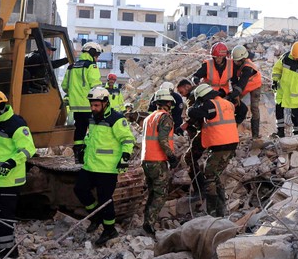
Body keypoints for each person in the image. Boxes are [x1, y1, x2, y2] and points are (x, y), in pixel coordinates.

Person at [73, 86, 133, 245]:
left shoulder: (116, 119)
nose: (93, 108)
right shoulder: (92, 119)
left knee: (105, 199)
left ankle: (109, 230)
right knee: (79, 189)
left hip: (107, 168)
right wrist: (82, 148)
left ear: (105, 103)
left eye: (96, 105)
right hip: (90, 165)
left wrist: (125, 157)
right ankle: (95, 216)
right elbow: (91, 138)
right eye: (92, 105)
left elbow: (127, 140)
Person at [0, 88, 35, 259]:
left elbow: (28, 149)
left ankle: (10, 252)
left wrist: (11, 162)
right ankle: (6, 248)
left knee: (5, 217)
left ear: (2, 106)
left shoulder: (16, 124)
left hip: (10, 180)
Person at [187, 84, 239, 217]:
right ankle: (222, 209)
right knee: (214, 175)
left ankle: (213, 212)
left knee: (209, 176)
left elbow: (195, 113)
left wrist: (192, 107)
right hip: (231, 142)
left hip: (221, 144)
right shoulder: (226, 103)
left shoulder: (210, 104)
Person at [141, 88, 179, 235]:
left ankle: (147, 220)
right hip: (158, 160)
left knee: (152, 192)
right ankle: (149, 223)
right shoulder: (165, 117)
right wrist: (172, 157)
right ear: (168, 102)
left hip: (146, 160)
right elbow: (163, 140)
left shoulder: (148, 118)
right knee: (161, 193)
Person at [62, 43, 102, 148]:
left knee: (79, 129)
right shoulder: (91, 66)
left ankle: (78, 153)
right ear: (92, 53)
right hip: (89, 106)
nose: (97, 59)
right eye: (96, 56)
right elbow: (96, 86)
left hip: (76, 107)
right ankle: (92, 151)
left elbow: (64, 86)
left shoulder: (71, 67)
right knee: (94, 130)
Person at [272, 42, 298, 137]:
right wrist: (274, 81)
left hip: (294, 95)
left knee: (295, 114)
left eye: (297, 57)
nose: (295, 58)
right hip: (282, 91)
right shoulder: (286, 57)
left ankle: (297, 133)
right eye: (294, 56)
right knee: (279, 111)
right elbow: (277, 69)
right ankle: (280, 131)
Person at [230, 44, 263, 139]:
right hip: (245, 85)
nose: (235, 63)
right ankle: (231, 128)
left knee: (254, 108)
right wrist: (235, 91)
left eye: (237, 61)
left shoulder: (248, 68)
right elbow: (234, 78)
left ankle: (255, 135)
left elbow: (242, 83)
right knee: (234, 103)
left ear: (243, 59)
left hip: (255, 85)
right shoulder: (235, 63)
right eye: (234, 61)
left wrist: (235, 93)